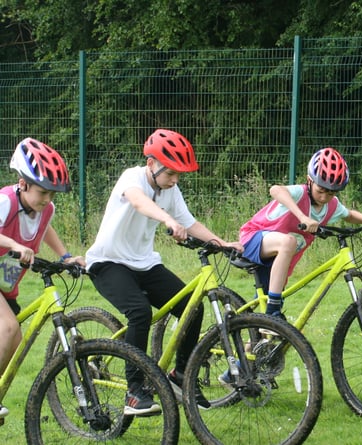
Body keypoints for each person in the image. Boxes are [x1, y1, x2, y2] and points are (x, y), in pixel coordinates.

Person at [85, 129, 243, 415]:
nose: (175, 180)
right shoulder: (132, 177)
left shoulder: (170, 190)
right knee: (139, 311)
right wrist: (166, 218)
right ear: (151, 164)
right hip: (108, 262)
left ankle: (182, 375)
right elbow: (138, 201)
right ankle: (134, 393)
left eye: (179, 175)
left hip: (144, 263)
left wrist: (222, 243)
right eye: (171, 173)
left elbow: (190, 223)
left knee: (192, 307)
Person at [235, 147, 362, 317]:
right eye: (320, 191)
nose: (324, 197)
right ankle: (272, 310)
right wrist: (302, 217)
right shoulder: (299, 193)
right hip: (254, 239)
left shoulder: (331, 206)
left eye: (331, 193)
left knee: (269, 329)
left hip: (278, 261)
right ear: (309, 181)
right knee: (288, 242)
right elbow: (276, 190)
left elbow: (349, 215)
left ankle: (258, 333)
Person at [0, 138, 84, 420]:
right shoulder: (5, 201)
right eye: (42, 191)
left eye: (52, 193)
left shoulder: (45, 208)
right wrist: (14, 244)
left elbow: (45, 229)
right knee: (8, 327)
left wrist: (65, 256)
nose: (47, 198)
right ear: (23, 184)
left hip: (6, 284)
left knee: (14, 342)